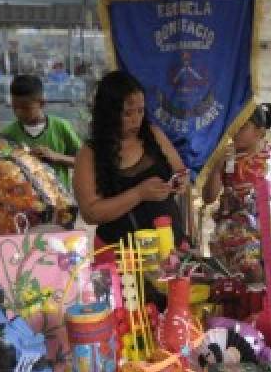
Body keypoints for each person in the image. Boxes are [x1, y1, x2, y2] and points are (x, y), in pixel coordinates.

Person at [73, 70, 190, 249]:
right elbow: (91, 213)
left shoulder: (154, 135)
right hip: (121, 254)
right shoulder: (89, 154)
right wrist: (139, 194)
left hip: (169, 246)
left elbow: (180, 171)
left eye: (140, 111)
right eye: (128, 113)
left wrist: (181, 181)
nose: (136, 120)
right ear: (109, 113)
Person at [203, 103, 271, 283]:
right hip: (236, 228)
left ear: (260, 132)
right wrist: (217, 167)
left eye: (243, 127)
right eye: (234, 126)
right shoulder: (226, 158)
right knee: (251, 269)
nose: (236, 132)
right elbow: (208, 198)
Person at [1, 74, 82, 193]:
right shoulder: (8, 133)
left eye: (25, 108)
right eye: (14, 107)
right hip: (24, 204)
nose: (19, 113)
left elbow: (85, 162)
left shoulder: (61, 127)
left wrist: (57, 157)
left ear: (42, 103)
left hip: (59, 202)